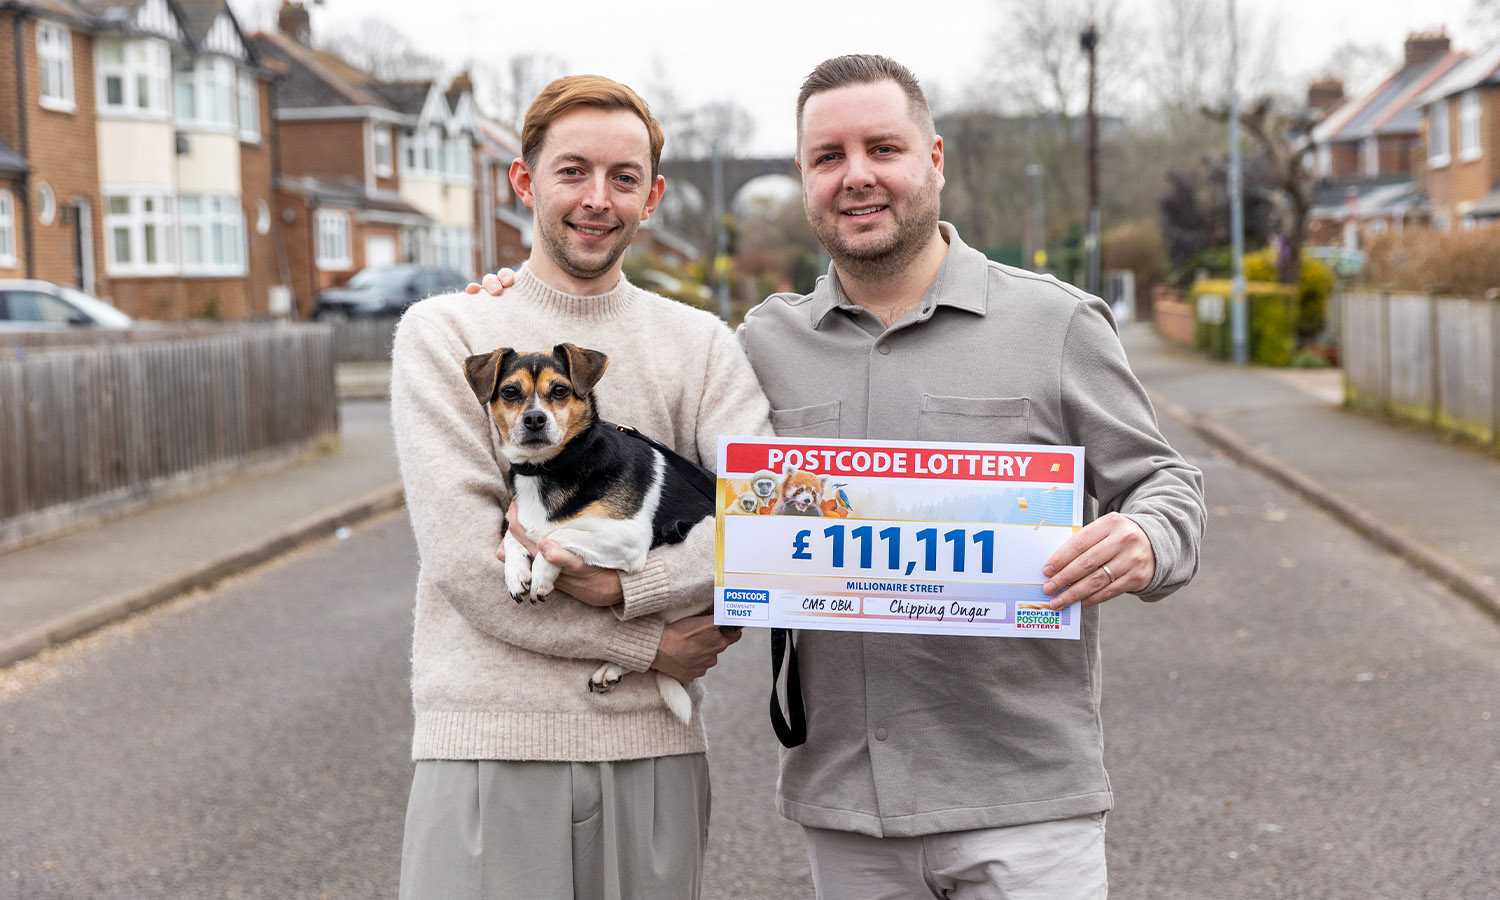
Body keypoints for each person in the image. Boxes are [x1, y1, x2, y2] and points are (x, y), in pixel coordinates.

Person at [474, 55, 1205, 900]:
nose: (856, 177)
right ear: (804, 179)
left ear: (933, 160)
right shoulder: (759, 346)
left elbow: (1164, 482)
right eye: (828, 158)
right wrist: (524, 301)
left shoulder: (1056, 323)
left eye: (882, 149)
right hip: (847, 810)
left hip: (1025, 803)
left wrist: (1149, 536)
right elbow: (624, 440)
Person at [391, 74, 770, 900]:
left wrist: (634, 589)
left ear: (653, 196)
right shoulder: (446, 332)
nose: (597, 198)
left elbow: (768, 517)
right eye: (572, 172)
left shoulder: (700, 345)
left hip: (652, 749)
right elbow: (466, 563)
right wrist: (648, 644)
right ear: (524, 182)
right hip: (488, 748)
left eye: (623, 178)